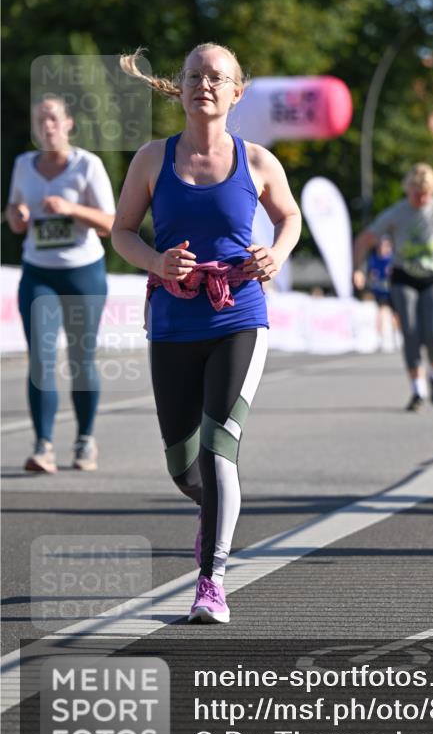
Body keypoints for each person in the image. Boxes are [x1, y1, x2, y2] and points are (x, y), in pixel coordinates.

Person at [112, 43, 301, 624]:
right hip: (173, 321)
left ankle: (211, 581)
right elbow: (121, 233)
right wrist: (157, 262)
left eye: (218, 77)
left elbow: (289, 217)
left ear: (237, 92)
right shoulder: (151, 159)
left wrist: (275, 252)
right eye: (195, 75)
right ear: (182, 86)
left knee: (222, 445)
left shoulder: (260, 161)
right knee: (182, 463)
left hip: (238, 313)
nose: (205, 84)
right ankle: (216, 511)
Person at [5, 96, 116, 473]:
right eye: (40, 120)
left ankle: (85, 439)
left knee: (81, 360)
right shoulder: (23, 165)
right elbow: (16, 213)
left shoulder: (87, 165)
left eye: (53, 119)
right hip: (38, 271)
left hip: (82, 272)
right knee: (41, 358)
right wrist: (17, 216)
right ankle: (43, 445)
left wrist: (72, 209)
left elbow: (112, 224)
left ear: (68, 123)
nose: (46, 126)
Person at [353, 163, 433, 411]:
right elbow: (365, 239)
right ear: (409, 191)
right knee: (411, 333)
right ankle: (418, 390)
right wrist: (358, 269)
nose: (422, 198)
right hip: (404, 277)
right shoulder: (397, 213)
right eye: (417, 193)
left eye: (426, 193)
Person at [366, 235, 399, 352]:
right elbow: (371, 274)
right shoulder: (374, 259)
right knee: (381, 313)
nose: (383, 249)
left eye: (385, 246)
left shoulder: (393, 259)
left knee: (396, 315)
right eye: (381, 246)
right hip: (381, 292)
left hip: (393, 291)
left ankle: (397, 337)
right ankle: (380, 338)